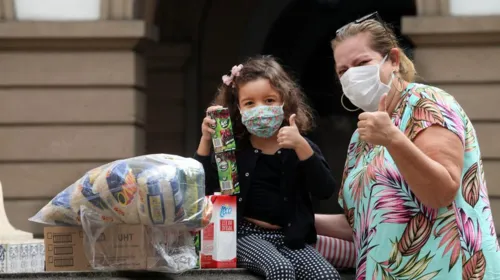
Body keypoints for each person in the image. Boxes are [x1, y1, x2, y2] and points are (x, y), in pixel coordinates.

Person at [315, 12, 500, 279]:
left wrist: (393, 139)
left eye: (362, 63)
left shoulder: (426, 103)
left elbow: (442, 191)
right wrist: (299, 218)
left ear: (393, 60)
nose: (352, 76)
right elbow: (366, 221)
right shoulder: (362, 137)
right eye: (343, 71)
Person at [194, 56, 341, 280]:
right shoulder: (233, 150)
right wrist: (206, 140)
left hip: (291, 238)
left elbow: (325, 189)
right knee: (280, 270)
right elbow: (203, 188)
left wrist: (301, 146)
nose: (260, 109)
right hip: (245, 235)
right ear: (238, 108)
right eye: (250, 103)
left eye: (269, 100)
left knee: (327, 276)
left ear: (284, 101)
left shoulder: (299, 146)